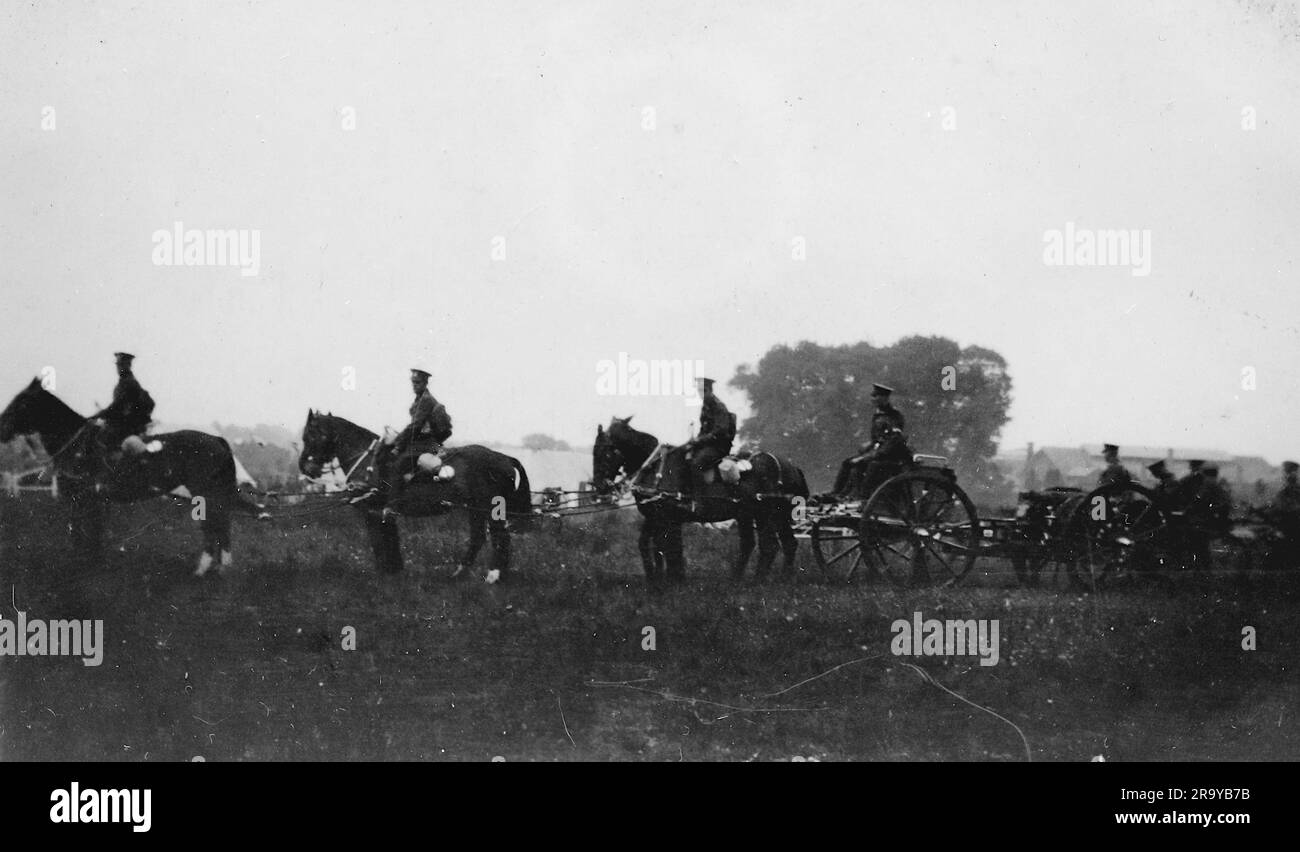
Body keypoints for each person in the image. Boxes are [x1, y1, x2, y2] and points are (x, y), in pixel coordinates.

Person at [374, 368, 453, 496]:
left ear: (425, 383)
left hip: (427, 443)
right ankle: (383, 490)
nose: (414, 386)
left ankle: (392, 506)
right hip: (421, 441)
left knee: (398, 465)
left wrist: (398, 444)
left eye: (418, 383)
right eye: (413, 383)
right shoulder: (420, 399)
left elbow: (415, 426)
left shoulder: (426, 400)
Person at [827, 383, 909, 500]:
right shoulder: (878, 415)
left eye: (876, 396)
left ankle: (863, 497)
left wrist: (870, 456)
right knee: (848, 463)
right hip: (879, 453)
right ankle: (837, 493)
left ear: (885, 398)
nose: (873, 399)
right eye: (872, 396)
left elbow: (893, 441)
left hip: (891, 456)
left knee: (870, 465)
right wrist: (866, 450)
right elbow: (876, 439)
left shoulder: (894, 416)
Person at [91, 352, 155, 453]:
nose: (119, 368)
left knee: (100, 438)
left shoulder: (129, 382)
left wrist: (98, 415)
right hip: (123, 423)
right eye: (118, 365)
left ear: (128, 365)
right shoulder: (124, 382)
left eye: (121, 365)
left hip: (127, 425)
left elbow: (117, 405)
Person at [685, 377, 735, 484]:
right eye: (699, 391)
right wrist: (694, 442)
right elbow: (703, 430)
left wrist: (699, 440)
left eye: (704, 391)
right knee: (683, 456)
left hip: (719, 447)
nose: (701, 394)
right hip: (708, 445)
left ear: (710, 391)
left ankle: (698, 499)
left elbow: (720, 431)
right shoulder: (705, 407)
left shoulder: (719, 407)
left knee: (696, 464)